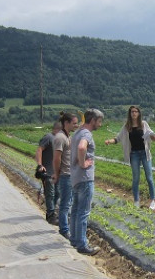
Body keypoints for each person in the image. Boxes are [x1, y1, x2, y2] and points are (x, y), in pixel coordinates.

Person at [105, 105, 155, 209]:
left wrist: (152, 136)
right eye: (132, 112)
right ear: (129, 113)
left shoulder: (144, 124)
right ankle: (136, 201)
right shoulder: (126, 126)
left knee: (149, 178)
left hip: (145, 153)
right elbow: (118, 138)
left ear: (139, 113)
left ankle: (152, 200)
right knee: (136, 178)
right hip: (134, 154)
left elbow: (153, 138)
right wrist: (109, 141)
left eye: (136, 111)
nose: (134, 113)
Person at [69, 108, 105, 255]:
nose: (100, 125)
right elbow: (82, 147)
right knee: (83, 212)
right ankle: (82, 245)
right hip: (85, 178)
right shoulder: (86, 134)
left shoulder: (77, 132)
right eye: (99, 121)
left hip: (75, 178)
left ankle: (74, 240)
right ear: (92, 120)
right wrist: (83, 163)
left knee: (76, 210)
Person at [51, 111, 79, 240]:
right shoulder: (60, 138)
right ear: (66, 123)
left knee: (69, 202)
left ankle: (67, 227)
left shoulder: (68, 136)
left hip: (71, 174)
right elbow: (56, 159)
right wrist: (57, 174)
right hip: (65, 175)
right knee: (65, 204)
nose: (76, 125)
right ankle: (64, 229)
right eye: (74, 123)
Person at [35, 120, 62, 224]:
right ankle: (51, 214)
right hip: (48, 172)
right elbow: (39, 150)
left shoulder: (59, 139)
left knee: (57, 193)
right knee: (50, 193)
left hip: (56, 172)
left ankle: (51, 211)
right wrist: (40, 165)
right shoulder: (48, 137)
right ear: (58, 129)